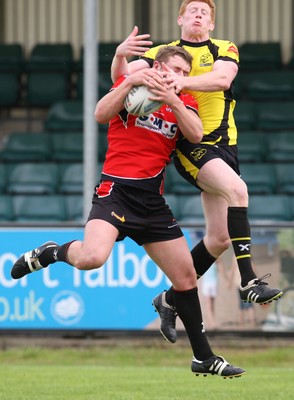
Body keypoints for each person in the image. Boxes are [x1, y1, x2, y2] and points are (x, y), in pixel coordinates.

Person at [10, 46, 245, 378]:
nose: (178, 76)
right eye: (174, 68)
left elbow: (195, 133)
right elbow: (100, 113)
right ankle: (51, 252)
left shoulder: (185, 102)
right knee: (92, 258)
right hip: (116, 193)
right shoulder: (132, 90)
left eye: (183, 73)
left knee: (186, 278)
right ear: (158, 66)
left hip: (151, 202)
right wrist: (127, 79)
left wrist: (175, 98)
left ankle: (203, 358)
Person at [111, 0, 283, 343]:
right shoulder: (162, 52)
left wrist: (176, 83)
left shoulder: (223, 48)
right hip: (193, 143)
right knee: (238, 191)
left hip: (226, 146)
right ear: (180, 19)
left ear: (212, 24)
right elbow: (122, 80)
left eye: (205, 12)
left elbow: (222, 80)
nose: (199, 14)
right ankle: (248, 282)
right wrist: (119, 57)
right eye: (192, 10)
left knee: (219, 238)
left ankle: (169, 299)